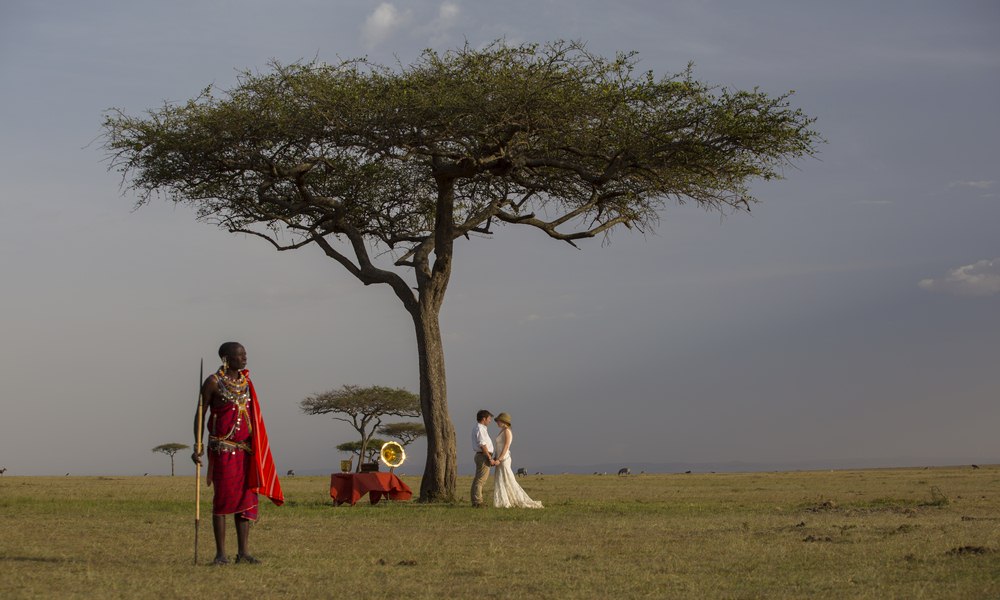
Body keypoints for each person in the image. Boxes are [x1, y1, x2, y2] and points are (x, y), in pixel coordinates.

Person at [192, 342, 284, 565]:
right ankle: (220, 555)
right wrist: (198, 446)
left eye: (245, 354)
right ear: (226, 358)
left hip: (245, 451)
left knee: (246, 500)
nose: (244, 358)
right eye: (240, 355)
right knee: (223, 500)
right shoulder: (213, 382)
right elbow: (200, 413)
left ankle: (243, 553)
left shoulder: (246, 382)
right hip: (223, 449)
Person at [492, 412, 543, 509]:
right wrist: (496, 457)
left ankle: (512, 500)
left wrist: (500, 458)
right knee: (501, 479)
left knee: (508, 478)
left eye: (498, 421)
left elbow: (506, 446)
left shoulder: (507, 431)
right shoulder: (502, 431)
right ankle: (504, 501)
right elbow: (499, 446)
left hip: (503, 458)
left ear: (503, 421)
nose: (497, 423)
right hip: (499, 457)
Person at [470, 409, 497, 507]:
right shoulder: (480, 428)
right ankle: (478, 502)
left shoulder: (479, 428)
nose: (490, 421)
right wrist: (489, 458)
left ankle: (475, 501)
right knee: (481, 480)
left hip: (481, 455)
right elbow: (482, 444)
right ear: (484, 418)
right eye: (489, 418)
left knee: (478, 479)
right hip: (483, 455)